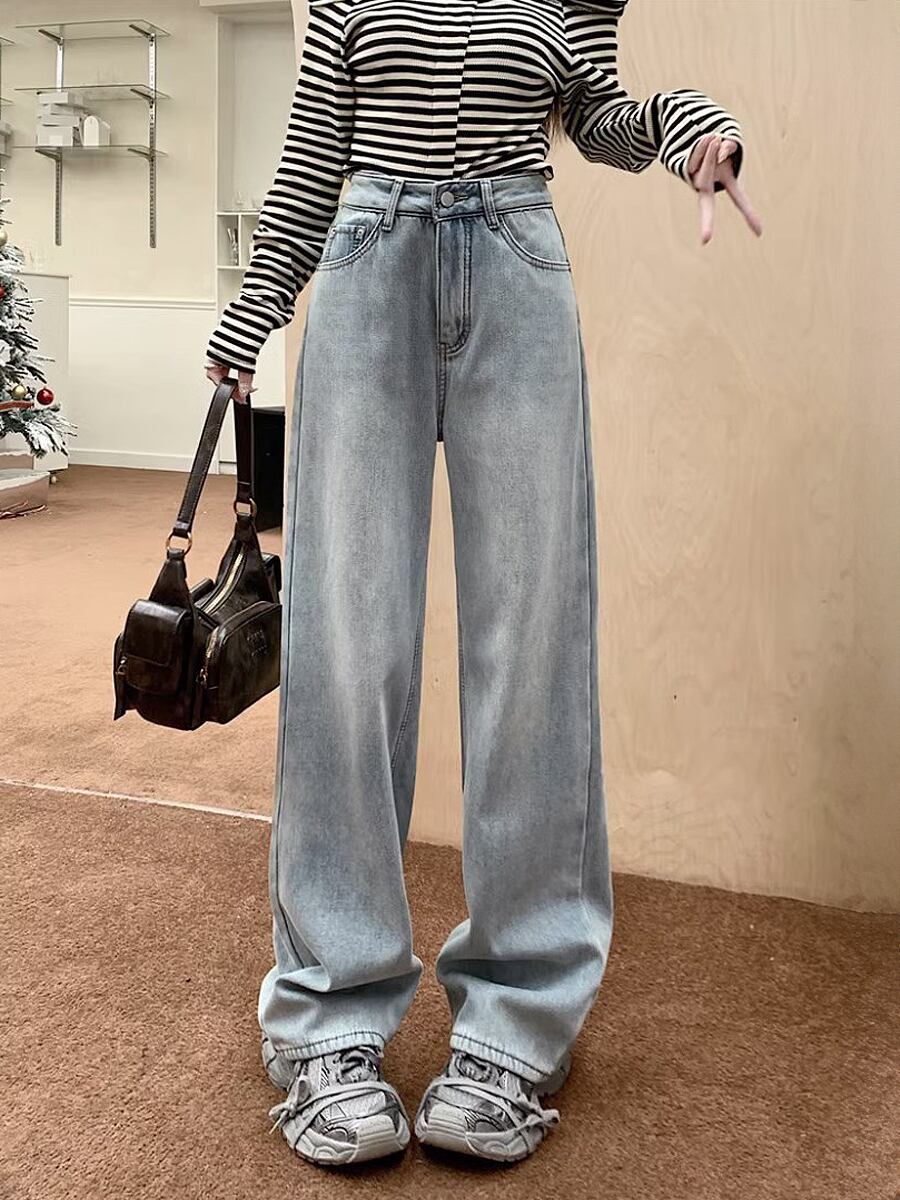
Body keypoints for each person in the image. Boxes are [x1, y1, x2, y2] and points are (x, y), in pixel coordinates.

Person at [204, 0, 762, 1169]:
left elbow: (596, 113)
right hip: (367, 265)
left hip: (517, 264)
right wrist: (255, 309)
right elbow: (313, 153)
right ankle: (329, 1014)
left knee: (533, 647)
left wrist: (684, 127)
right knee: (348, 649)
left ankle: (518, 1017)